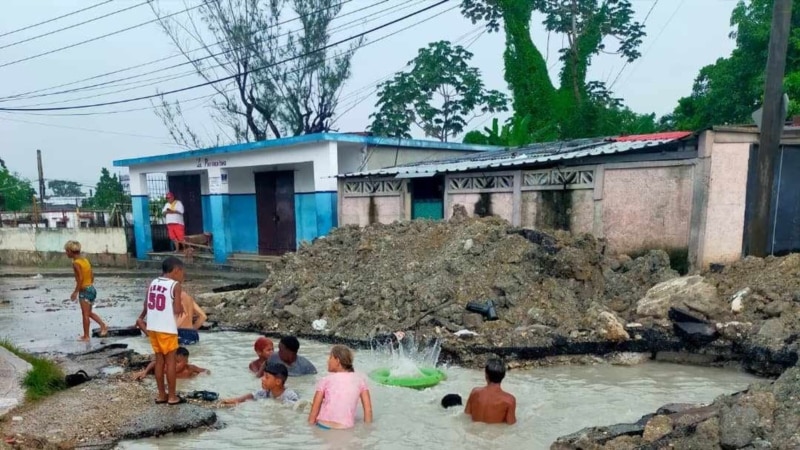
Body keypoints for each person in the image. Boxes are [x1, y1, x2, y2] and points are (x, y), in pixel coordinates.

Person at [136, 256, 186, 405]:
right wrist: (181, 306)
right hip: (167, 329)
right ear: (176, 270)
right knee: (170, 362)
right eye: (182, 272)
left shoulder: (153, 283)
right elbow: (177, 310)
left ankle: (161, 395)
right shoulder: (175, 285)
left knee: (159, 361)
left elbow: (146, 305)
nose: (183, 276)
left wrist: (141, 317)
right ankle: (172, 396)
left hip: (153, 328)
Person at [307, 345, 373, 430]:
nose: (327, 361)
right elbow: (368, 411)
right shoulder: (360, 381)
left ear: (337, 360)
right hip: (344, 428)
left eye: (330, 357)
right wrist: (367, 430)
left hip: (323, 426)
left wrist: (310, 428)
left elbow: (314, 412)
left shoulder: (325, 380)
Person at [64, 240, 108, 341]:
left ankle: (86, 336)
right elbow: (92, 275)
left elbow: (80, 278)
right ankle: (103, 325)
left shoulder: (76, 263)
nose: (66, 253)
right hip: (91, 289)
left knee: (85, 314)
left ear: (70, 251)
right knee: (89, 313)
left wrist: (76, 291)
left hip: (84, 291)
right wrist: (89, 285)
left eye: (66, 251)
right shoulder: (85, 260)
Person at [464, 358, 517, 425]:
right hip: (494, 434)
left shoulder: (474, 392)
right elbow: (511, 425)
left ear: (486, 375)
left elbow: (466, 415)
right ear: (503, 376)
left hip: (472, 433)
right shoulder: (509, 400)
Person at [222, 362, 299, 406]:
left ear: (278, 382)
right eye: (263, 376)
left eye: (266, 377)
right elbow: (251, 395)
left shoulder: (290, 396)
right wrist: (236, 400)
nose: (262, 379)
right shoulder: (266, 392)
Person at [133, 347, 209, 380]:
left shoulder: (190, 368)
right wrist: (145, 372)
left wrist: (199, 377)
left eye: (179, 362)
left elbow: (206, 371)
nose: (175, 365)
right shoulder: (167, 366)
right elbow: (154, 363)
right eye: (175, 362)